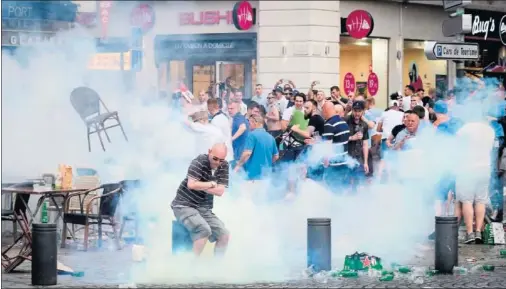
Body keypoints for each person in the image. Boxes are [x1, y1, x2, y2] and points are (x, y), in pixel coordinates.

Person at [171, 143, 230, 256]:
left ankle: (219, 267)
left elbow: (220, 191)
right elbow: (191, 185)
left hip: (203, 208)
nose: (217, 162)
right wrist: (211, 184)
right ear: (209, 152)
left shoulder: (224, 165)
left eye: (221, 160)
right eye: (215, 158)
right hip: (184, 205)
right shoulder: (199, 161)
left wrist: (201, 186)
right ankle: (191, 267)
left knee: (224, 234)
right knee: (204, 229)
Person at [234, 114, 279, 180]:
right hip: (266, 175)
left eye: (249, 123)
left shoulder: (252, 135)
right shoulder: (271, 137)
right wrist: (266, 163)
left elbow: (247, 153)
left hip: (253, 175)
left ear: (255, 123)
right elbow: (276, 156)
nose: (248, 126)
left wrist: (238, 166)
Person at [321, 101, 350, 192]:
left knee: (332, 190)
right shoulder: (343, 123)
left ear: (325, 110)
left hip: (334, 165)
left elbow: (328, 146)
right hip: (345, 162)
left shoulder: (329, 124)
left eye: (322, 111)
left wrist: (326, 162)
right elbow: (340, 140)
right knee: (342, 189)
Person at [228, 100, 249, 165]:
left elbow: (243, 127)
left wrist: (231, 139)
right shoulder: (239, 117)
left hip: (240, 149)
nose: (229, 110)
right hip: (242, 149)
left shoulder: (238, 117)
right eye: (228, 108)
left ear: (238, 109)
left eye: (232, 108)